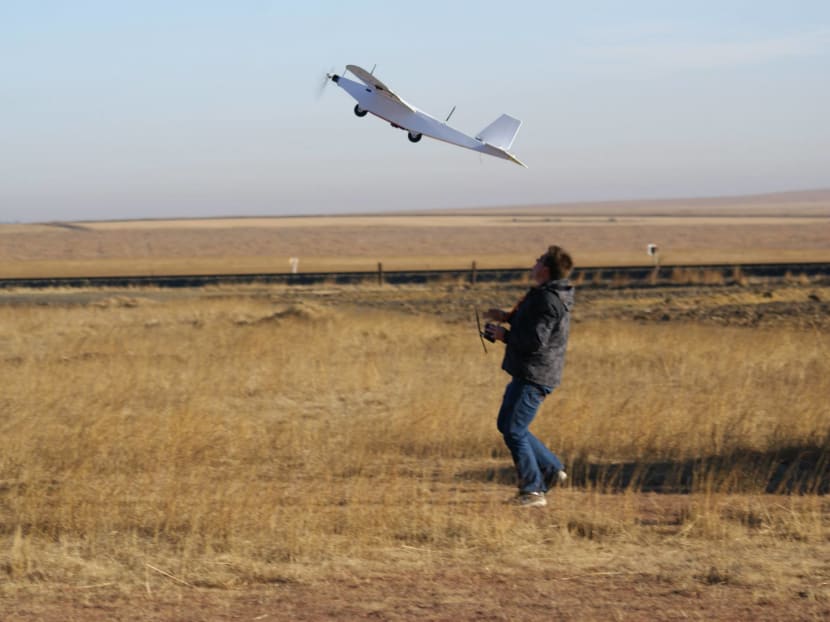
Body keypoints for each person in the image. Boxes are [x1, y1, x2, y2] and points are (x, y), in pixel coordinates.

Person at [483, 245, 575, 507]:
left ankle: (532, 491)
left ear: (545, 269)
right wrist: (504, 317)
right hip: (529, 371)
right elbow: (531, 326)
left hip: (536, 374)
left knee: (513, 429)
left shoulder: (547, 299)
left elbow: (536, 340)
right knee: (508, 425)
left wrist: (505, 336)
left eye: (538, 260)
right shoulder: (548, 294)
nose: (533, 263)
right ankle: (551, 468)